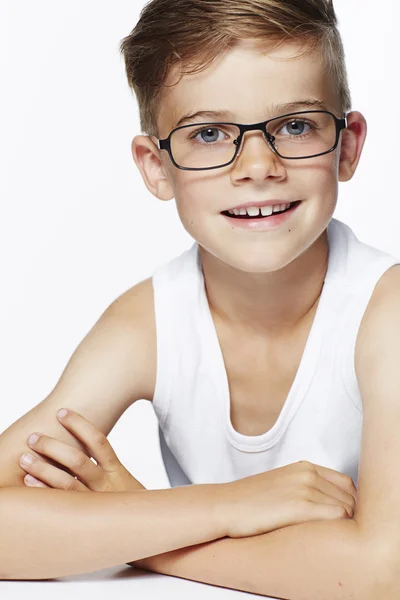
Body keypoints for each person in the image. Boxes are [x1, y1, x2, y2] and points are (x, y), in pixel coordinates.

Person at [1, 1, 399, 597]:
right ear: (156, 167)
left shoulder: (386, 315)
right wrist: (226, 507)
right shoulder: (148, 323)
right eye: (209, 134)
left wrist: (141, 525)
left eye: (296, 125)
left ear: (347, 146)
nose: (258, 167)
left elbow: (381, 572)